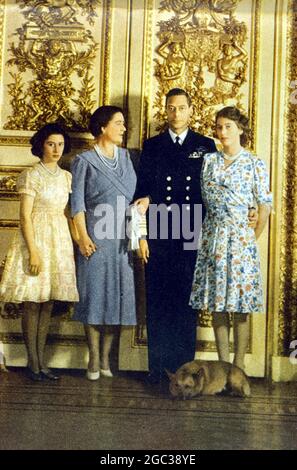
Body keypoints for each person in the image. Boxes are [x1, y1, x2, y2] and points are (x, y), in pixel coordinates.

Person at [134, 88, 217, 384]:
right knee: (158, 299)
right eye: (171, 108)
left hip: (192, 229)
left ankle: (185, 372)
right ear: (165, 111)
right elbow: (141, 192)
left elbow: (213, 191)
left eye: (182, 108)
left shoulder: (205, 145)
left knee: (185, 301)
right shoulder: (153, 145)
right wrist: (142, 235)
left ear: (191, 110)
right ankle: (158, 369)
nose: (176, 113)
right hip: (159, 228)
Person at [190, 106, 272, 370]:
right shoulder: (209, 161)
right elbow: (204, 199)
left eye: (227, 126)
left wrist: (250, 237)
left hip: (241, 241)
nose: (222, 131)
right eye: (218, 126)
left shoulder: (254, 163)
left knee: (239, 304)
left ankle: (238, 367)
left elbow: (265, 205)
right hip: (213, 237)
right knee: (217, 303)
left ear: (240, 129)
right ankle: (223, 365)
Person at [0, 123, 79, 381]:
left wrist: (79, 240)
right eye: (50, 144)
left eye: (60, 144)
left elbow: (68, 215)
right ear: (41, 146)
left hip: (59, 240)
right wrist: (33, 251)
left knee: (48, 302)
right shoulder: (31, 175)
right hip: (35, 240)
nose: (56, 149)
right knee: (33, 302)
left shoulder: (67, 177)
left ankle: (42, 361)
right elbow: (24, 216)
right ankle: (32, 362)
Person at [71, 106, 144, 380]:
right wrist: (82, 237)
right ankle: (92, 359)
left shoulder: (129, 158)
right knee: (94, 297)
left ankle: (105, 360)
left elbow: (139, 197)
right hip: (95, 235)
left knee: (117, 297)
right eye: (119, 123)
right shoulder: (83, 160)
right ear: (103, 127)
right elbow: (76, 203)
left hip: (124, 235)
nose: (124, 128)